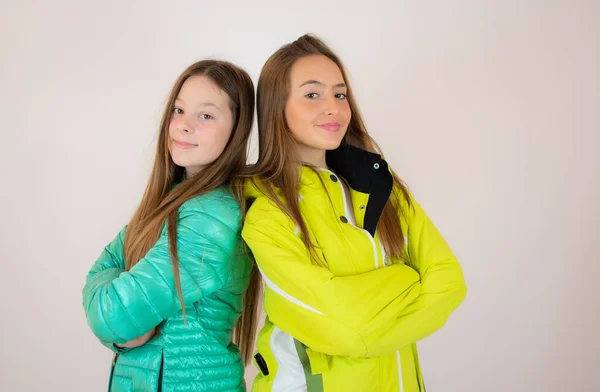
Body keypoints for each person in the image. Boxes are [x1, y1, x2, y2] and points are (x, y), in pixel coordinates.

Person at [241, 35, 467, 391]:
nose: (332, 107)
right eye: (312, 94)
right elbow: (345, 331)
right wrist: (408, 279)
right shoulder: (267, 208)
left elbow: (450, 281)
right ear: (276, 107)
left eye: (340, 94)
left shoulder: (381, 188)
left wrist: (366, 312)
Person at [82, 59, 260, 392]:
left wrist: (122, 323)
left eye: (205, 115)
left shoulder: (211, 217)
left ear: (236, 132)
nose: (183, 125)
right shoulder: (171, 202)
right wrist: (123, 334)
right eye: (178, 111)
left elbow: (111, 315)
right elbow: (102, 275)